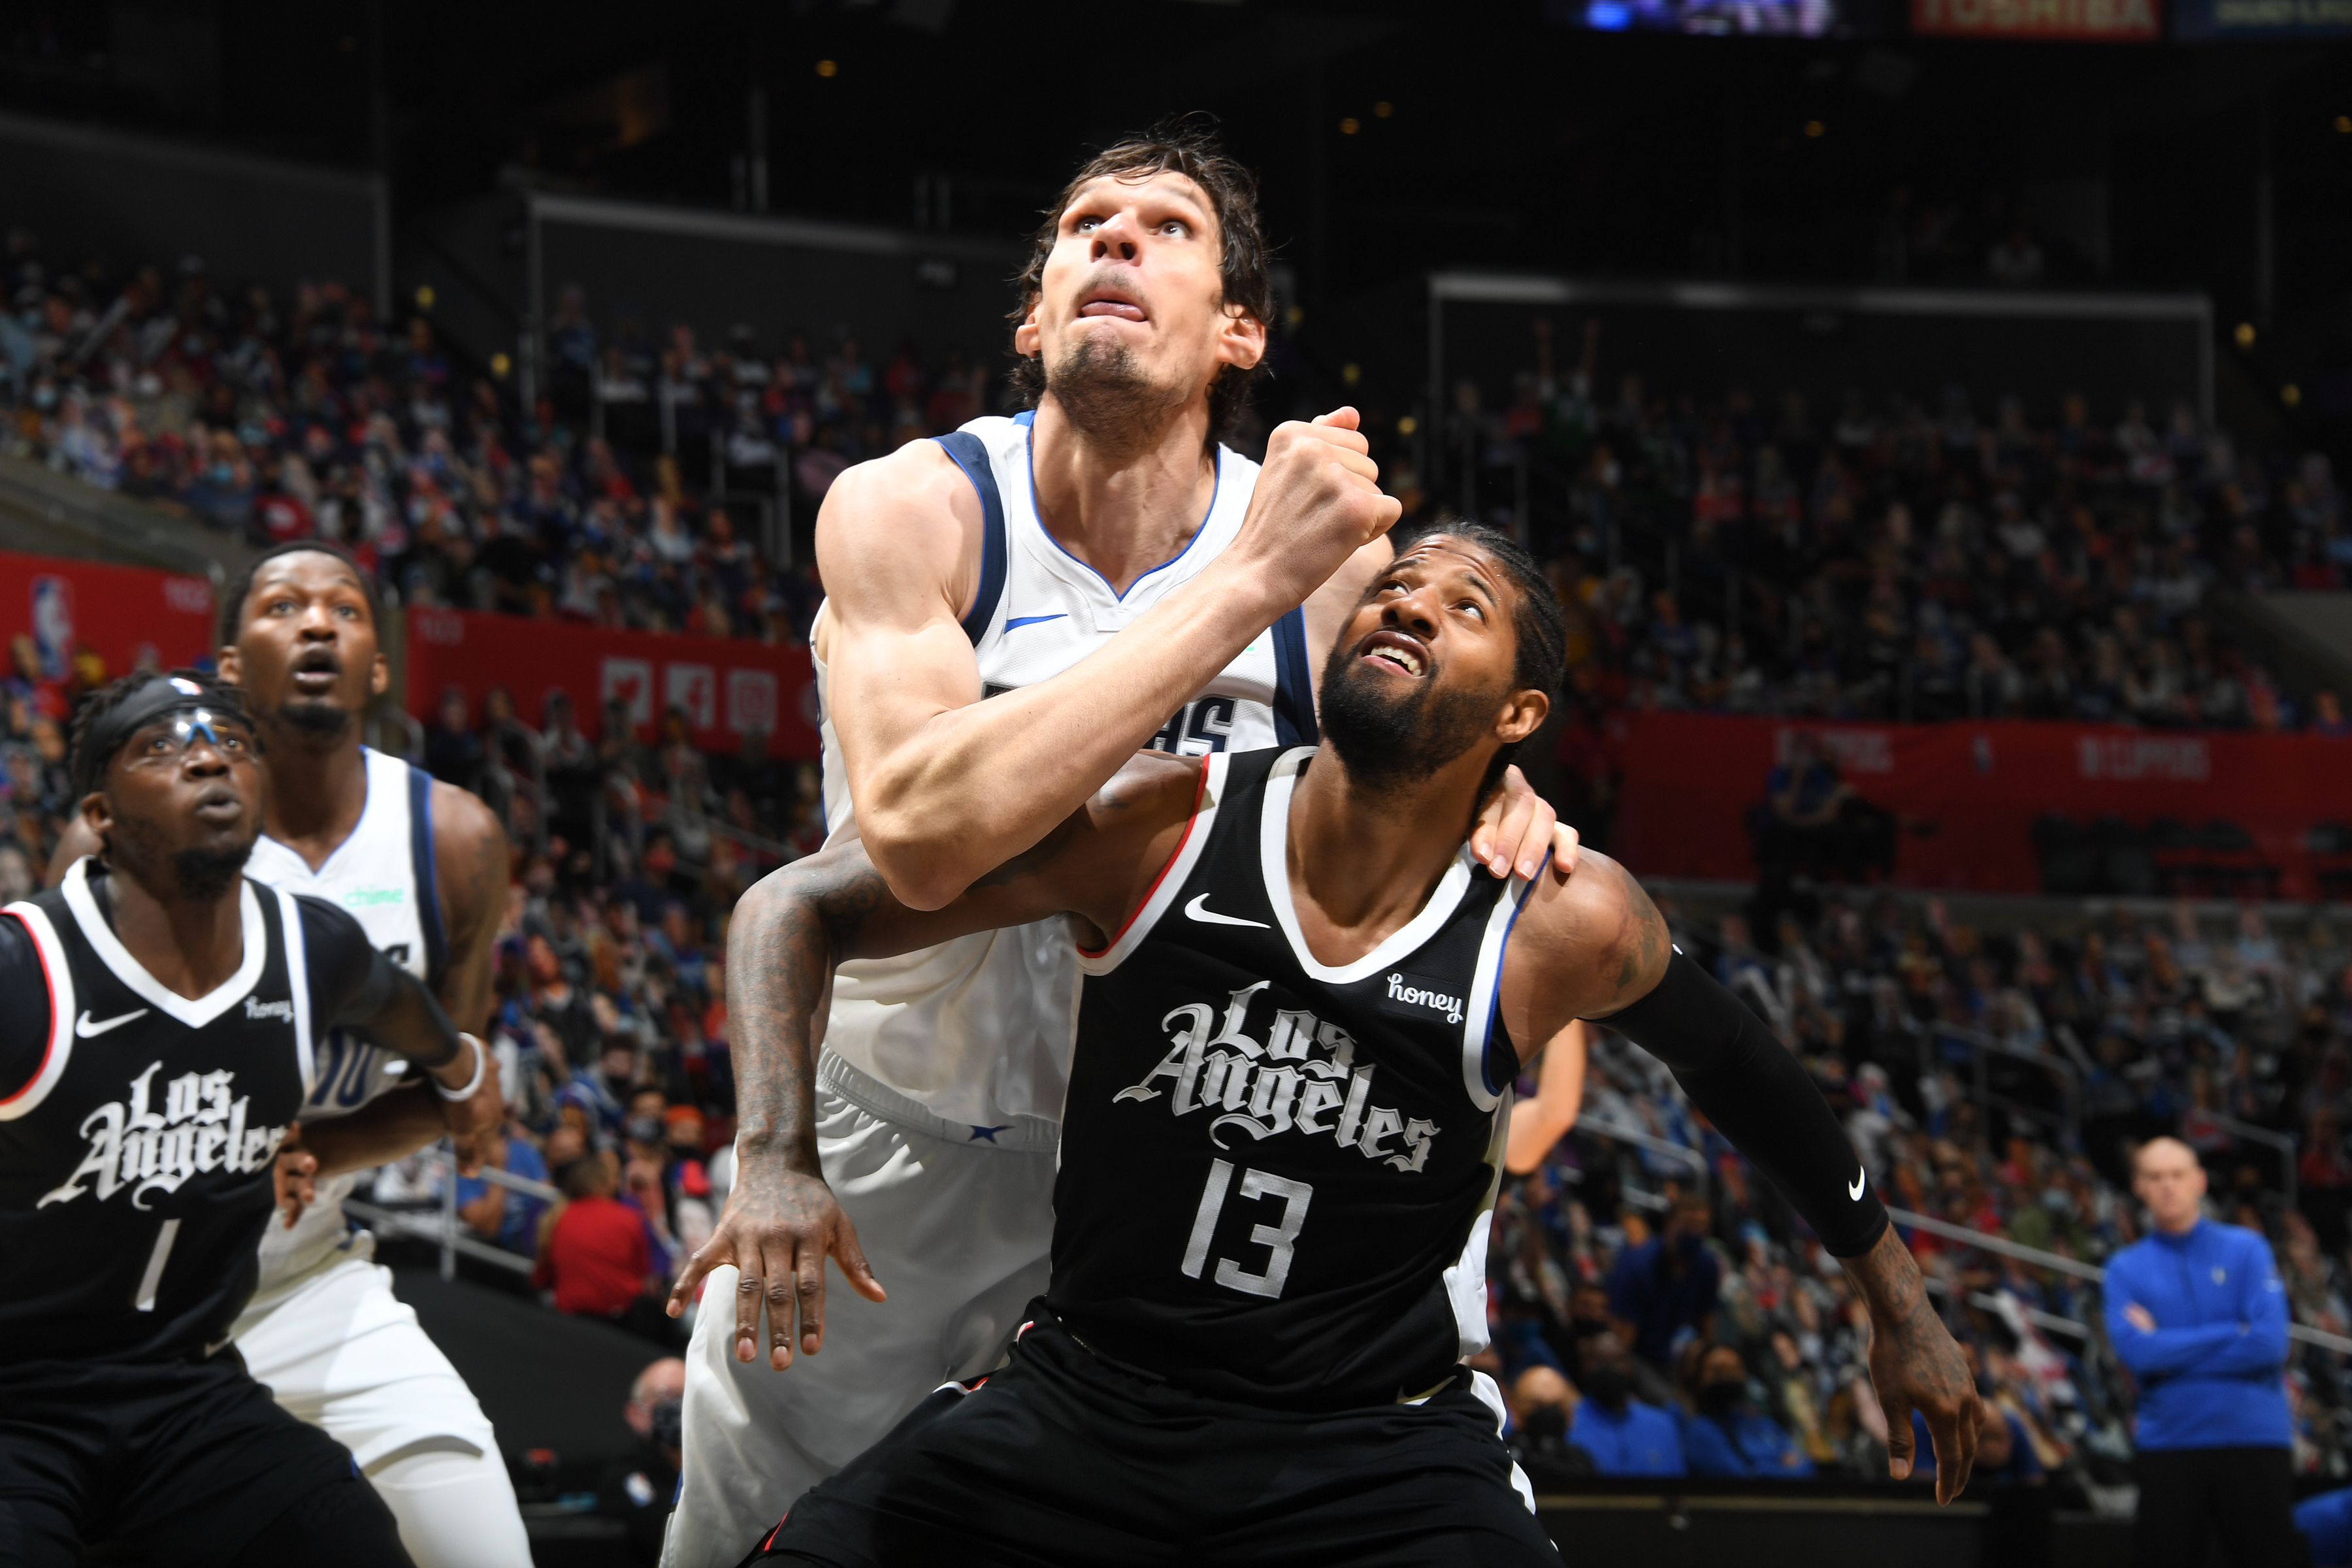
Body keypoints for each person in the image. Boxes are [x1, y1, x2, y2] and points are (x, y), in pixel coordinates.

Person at [693, 523, 1982, 1565]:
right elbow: (792, 908)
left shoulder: (1560, 918)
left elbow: (1742, 1073)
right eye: (1396, 588)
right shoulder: (1163, 821)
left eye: (1461, 605)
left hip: (1375, 1449)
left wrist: (1900, 1300)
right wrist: (776, 1159)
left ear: (1520, 716)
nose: (1409, 605)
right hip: (1094, 1398)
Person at [662, 120, 1573, 1566]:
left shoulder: (1337, 575)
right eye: (1088, 223)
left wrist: (1501, 794)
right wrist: (1241, 588)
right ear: (1032, 320)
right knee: (758, 1539)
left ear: (1240, 332)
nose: (1117, 240)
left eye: (1167, 229)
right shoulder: (920, 506)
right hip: (895, 1145)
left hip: (1158, 1173)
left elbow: (1410, 787)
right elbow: (921, 838)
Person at [49, 541, 526, 1567]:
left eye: (346, 609)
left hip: (308, 1277)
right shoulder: (139, 832)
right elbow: (68, 1071)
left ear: (379, 663)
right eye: (283, 606)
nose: (317, 625)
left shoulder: (452, 837)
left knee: (480, 1540)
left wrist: (321, 1148)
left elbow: (462, 1089)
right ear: (228, 660)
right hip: (112, 1306)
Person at [2103, 1135, 2299, 1568]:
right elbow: (2138, 1355)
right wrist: (2233, 1332)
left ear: (2200, 1181)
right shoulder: (2123, 1268)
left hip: (2255, 1439)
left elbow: (2269, 1345)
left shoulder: (2247, 1248)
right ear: (2138, 1186)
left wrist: (2165, 1342)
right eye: (2155, 1177)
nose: (2167, 1186)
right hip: (2169, 1443)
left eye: (2177, 1175)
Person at [1607, 1190, 1722, 1371]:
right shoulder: (1638, 1267)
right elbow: (1623, 1343)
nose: (1695, 1233)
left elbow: (1707, 1328)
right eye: (1688, 1225)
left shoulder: (1707, 1266)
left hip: (1680, 1358)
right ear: (1669, 1224)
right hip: (1639, 1358)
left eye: (1701, 1226)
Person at [1677, 1341, 1813, 1478]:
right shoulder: (1701, 1431)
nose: (1727, 1377)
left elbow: (1806, 1466)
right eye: (1718, 1371)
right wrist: (1780, 1466)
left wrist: (1759, 1467)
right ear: (1700, 1377)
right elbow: (1742, 1481)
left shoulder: (1764, 1424)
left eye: (1734, 1370)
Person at [601, 1358, 687, 1565]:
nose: (679, 1406)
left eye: (687, 1395)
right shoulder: (626, 1475)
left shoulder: (713, 1468)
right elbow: (664, 1534)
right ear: (635, 1413)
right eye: (665, 1395)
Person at [1569, 1336, 1686, 1478]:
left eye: (1618, 1360)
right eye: (1600, 1360)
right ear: (1585, 1366)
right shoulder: (1570, 1423)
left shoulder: (1663, 1425)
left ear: (1630, 1366)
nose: (1610, 1367)